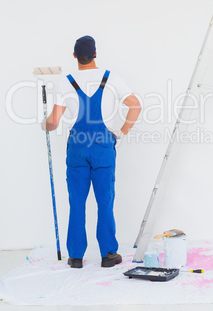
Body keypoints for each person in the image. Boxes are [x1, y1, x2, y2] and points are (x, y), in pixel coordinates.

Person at [41, 35, 141, 268]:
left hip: (77, 147)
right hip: (103, 146)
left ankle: (75, 257)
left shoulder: (66, 82)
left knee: (77, 202)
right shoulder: (111, 78)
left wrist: (44, 124)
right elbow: (135, 105)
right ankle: (108, 255)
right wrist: (122, 132)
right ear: (95, 54)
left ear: (75, 56)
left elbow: (53, 123)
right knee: (105, 201)